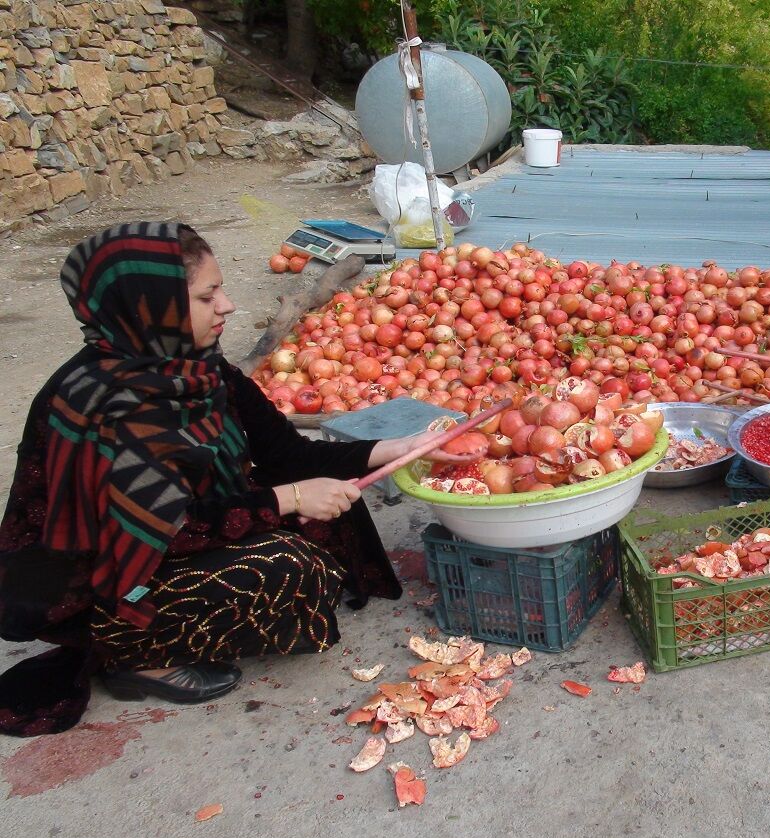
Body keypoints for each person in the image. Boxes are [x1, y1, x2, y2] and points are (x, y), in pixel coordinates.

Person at [0, 222, 478, 736]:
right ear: (149, 307)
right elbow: (162, 532)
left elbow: (287, 451)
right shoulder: (102, 406)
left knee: (323, 497)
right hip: (103, 583)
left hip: (171, 540)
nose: (227, 305)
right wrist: (289, 499)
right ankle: (134, 656)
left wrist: (401, 448)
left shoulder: (196, 369)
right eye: (208, 296)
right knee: (289, 565)